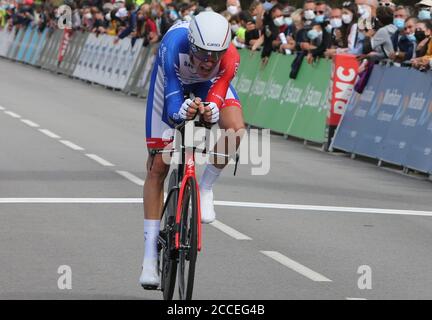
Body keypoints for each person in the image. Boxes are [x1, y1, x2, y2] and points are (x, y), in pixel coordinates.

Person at [140, 11, 244, 288]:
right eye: (202, 53)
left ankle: (205, 186)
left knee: (235, 130)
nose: (209, 61)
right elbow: (173, 104)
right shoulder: (174, 44)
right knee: (158, 167)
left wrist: (211, 109)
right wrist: (183, 110)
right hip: (170, 83)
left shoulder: (230, 57)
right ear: (191, 43)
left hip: (208, 86)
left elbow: (219, 90)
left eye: (216, 54)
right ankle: (149, 256)